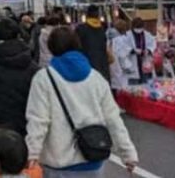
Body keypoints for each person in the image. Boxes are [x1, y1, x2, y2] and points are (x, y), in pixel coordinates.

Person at [25, 27, 138, 177]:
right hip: (93, 159)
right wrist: (127, 153)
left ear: (51, 48)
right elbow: (113, 119)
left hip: (58, 163)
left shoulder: (43, 78)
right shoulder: (96, 78)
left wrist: (32, 152)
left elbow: (38, 120)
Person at [74, 6, 110, 84]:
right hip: (102, 64)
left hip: (86, 64)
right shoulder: (102, 28)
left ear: (87, 15)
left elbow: (76, 47)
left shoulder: (80, 29)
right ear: (98, 15)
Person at [122, 18, 157, 85]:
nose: (139, 30)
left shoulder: (147, 34)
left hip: (144, 61)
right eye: (137, 27)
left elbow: (153, 43)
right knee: (133, 85)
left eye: (140, 27)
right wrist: (133, 50)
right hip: (133, 61)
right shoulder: (127, 35)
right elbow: (124, 46)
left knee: (146, 83)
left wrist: (148, 50)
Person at [108, 20, 129, 92]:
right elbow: (123, 56)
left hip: (111, 69)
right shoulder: (122, 40)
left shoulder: (109, 39)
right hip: (120, 70)